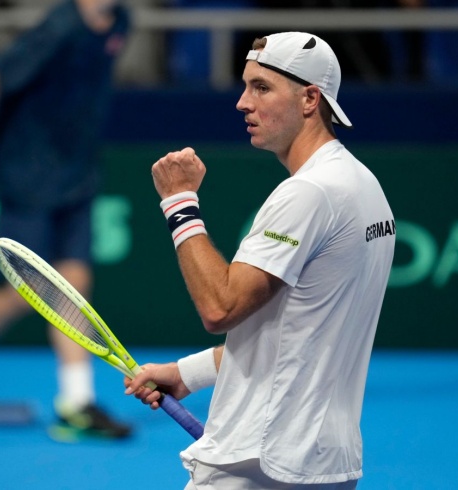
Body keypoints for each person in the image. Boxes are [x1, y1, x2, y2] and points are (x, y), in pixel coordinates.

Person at [125, 32, 396, 487]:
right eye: (246, 86)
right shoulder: (362, 184)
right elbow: (295, 333)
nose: (242, 103)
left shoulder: (308, 193)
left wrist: (179, 202)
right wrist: (186, 374)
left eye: (262, 87)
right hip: (327, 463)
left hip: (258, 460)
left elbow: (220, 308)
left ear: (310, 99)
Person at [0, 0, 132, 440]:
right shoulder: (60, 27)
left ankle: (76, 402)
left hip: (77, 174)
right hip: (28, 175)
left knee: (75, 286)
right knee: (24, 292)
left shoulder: (120, 20)